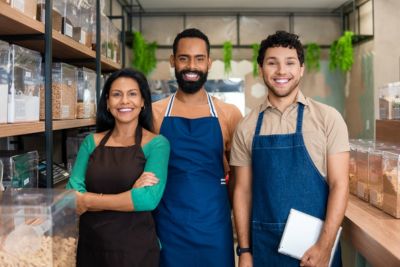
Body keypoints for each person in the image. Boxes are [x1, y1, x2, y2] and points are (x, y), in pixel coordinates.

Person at [231, 31, 349, 267]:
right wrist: (244, 250)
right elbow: (242, 191)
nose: (281, 71)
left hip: (314, 248)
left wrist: (324, 247)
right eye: (272, 63)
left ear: (302, 68)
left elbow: (340, 185)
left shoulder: (328, 118)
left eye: (290, 63)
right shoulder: (246, 126)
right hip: (264, 247)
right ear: (261, 68)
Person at [152, 28, 243, 267]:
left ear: (209, 63)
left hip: (215, 227)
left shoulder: (229, 114)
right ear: (173, 61)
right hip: (167, 228)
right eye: (184, 58)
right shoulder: (154, 114)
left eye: (199, 58)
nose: (191, 66)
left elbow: (239, 179)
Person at [66, 68, 170, 267]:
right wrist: (130, 194)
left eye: (132, 94)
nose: (124, 101)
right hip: (91, 247)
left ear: (143, 102)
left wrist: (88, 200)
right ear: (107, 102)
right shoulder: (91, 142)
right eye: (116, 94)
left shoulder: (157, 144)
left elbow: (147, 199)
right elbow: (73, 195)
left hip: (135, 251)